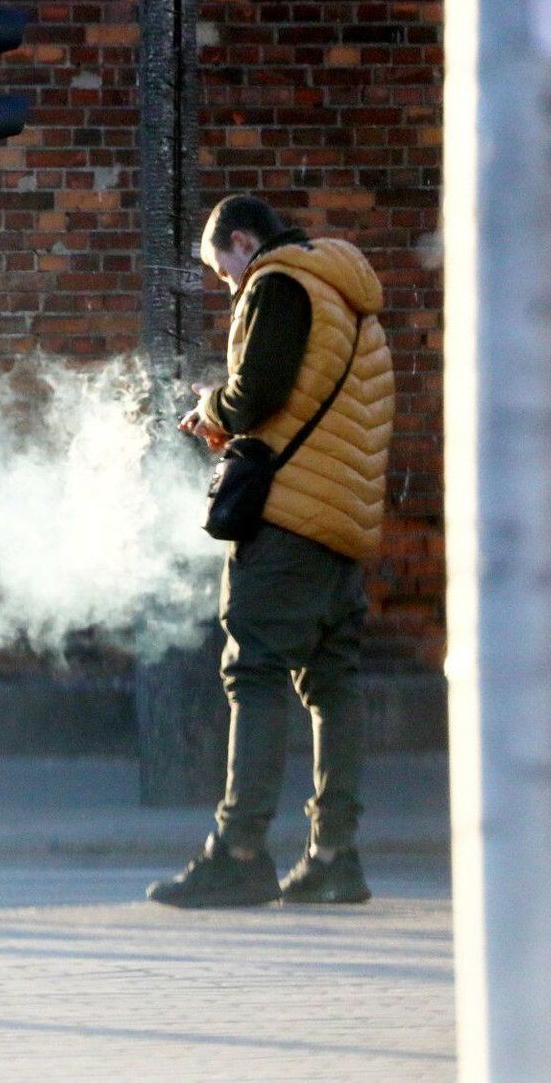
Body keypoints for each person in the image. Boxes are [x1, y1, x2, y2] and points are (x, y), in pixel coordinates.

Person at [150, 193, 394, 908]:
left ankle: (241, 851)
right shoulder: (351, 296)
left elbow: (257, 394)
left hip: (287, 520)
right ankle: (335, 857)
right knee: (332, 684)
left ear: (243, 240)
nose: (225, 284)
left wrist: (211, 409)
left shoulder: (278, 283)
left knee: (253, 673)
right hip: (343, 520)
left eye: (221, 267)